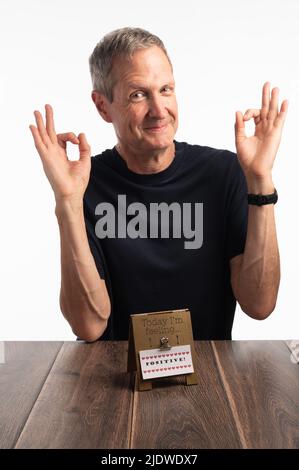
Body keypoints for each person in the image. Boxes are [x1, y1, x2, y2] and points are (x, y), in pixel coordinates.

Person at [29, 27, 288, 342]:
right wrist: (68, 202)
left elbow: (259, 305)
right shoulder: (84, 184)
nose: (159, 110)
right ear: (102, 106)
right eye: (138, 94)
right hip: (115, 381)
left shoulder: (223, 173)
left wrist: (260, 178)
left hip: (208, 379)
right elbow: (88, 326)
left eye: (166, 89)